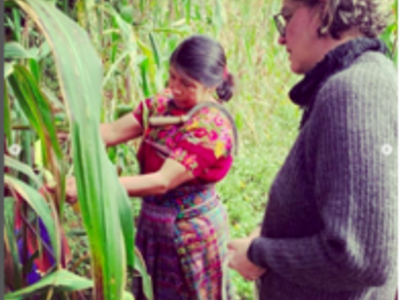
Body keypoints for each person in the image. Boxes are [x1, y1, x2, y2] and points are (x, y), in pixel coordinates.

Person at [228, 0, 397, 300]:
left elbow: (363, 258)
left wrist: (259, 252)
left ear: (324, 11)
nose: (281, 38)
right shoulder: (368, 77)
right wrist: (268, 233)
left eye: (287, 18)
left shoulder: (352, 92)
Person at [65, 34, 236, 300]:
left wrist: (92, 187)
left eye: (187, 84)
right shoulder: (162, 105)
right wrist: (68, 132)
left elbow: (161, 181)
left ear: (211, 85)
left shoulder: (211, 128)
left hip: (190, 232)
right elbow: (110, 131)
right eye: (172, 77)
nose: (175, 88)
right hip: (153, 223)